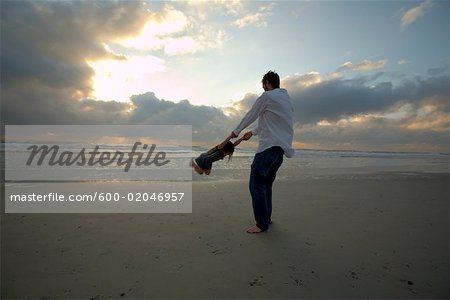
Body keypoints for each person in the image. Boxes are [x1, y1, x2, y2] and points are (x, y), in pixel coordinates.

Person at [221, 71, 294, 233]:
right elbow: (270, 123)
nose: (263, 88)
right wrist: (252, 133)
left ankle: (261, 224)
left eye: (263, 85)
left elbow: (251, 115)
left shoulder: (267, 97)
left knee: (256, 185)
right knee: (266, 186)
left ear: (267, 83)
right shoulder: (286, 101)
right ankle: (266, 218)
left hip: (267, 150)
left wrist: (236, 132)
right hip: (279, 152)